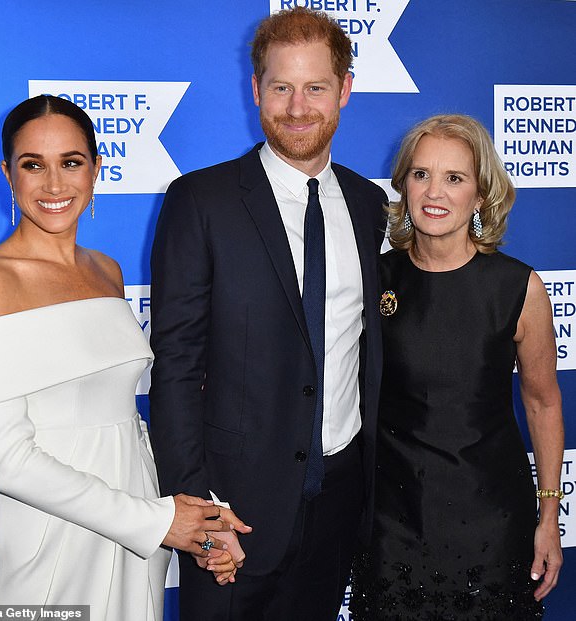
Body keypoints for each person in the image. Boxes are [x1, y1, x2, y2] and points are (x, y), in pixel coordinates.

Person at [0, 95, 249, 620]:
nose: (53, 184)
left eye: (71, 162)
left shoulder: (106, 271)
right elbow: (9, 463)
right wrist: (158, 523)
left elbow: (127, 425)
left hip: (136, 526)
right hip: (48, 538)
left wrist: (199, 530)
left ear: (96, 169)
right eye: (32, 165)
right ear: (7, 174)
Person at [149, 7, 387, 621]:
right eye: (281, 86)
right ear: (256, 90)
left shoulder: (368, 205)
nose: (298, 106)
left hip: (340, 503)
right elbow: (175, 366)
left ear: (345, 91)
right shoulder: (200, 201)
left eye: (316, 87)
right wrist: (199, 513)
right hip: (233, 511)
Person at [349, 114, 564, 620]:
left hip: (491, 521)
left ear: (481, 194)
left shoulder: (517, 288)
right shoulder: (371, 278)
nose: (434, 192)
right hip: (392, 523)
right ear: (402, 185)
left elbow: (543, 401)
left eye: (454, 178)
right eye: (421, 174)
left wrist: (550, 515)